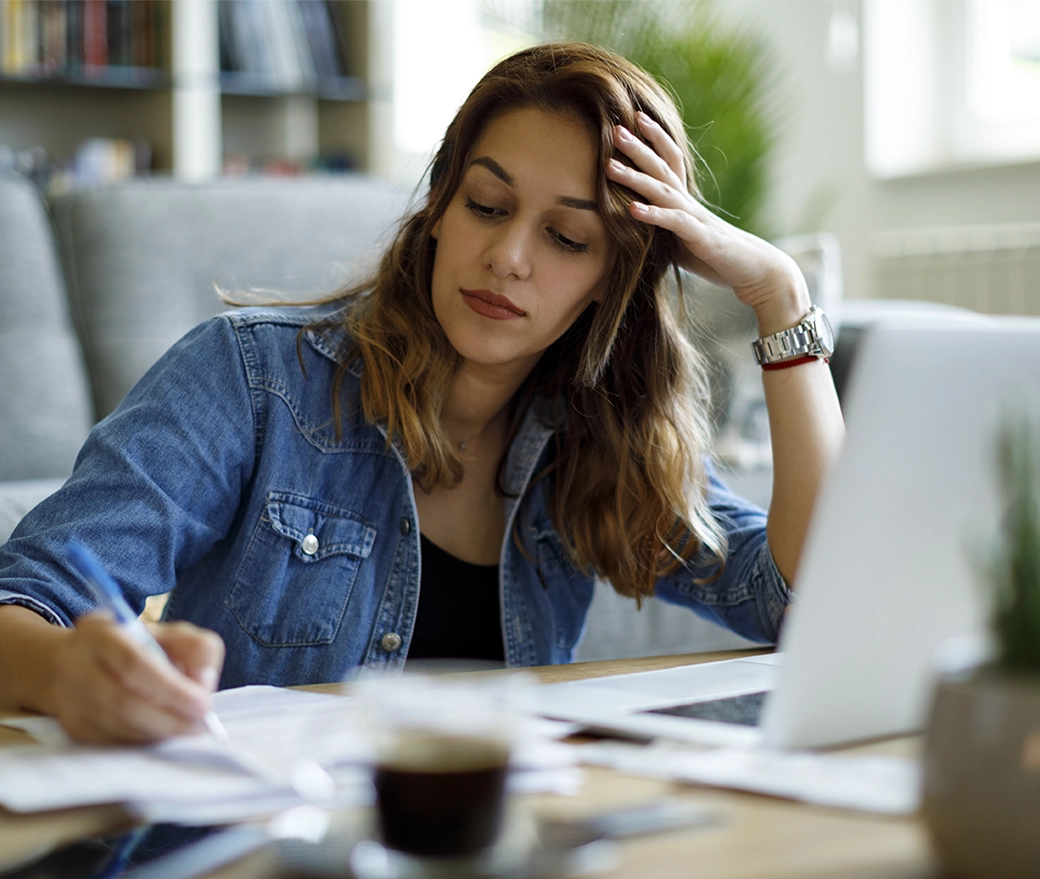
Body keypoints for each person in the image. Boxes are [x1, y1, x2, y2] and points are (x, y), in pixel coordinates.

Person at [0, 43, 844, 744]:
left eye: (566, 236)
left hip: (490, 855)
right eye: (487, 204)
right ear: (439, 206)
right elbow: (25, 601)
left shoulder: (598, 436)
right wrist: (71, 672)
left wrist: (779, 294)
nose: (509, 255)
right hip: (270, 856)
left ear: (610, 280)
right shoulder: (252, 378)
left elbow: (810, 604)